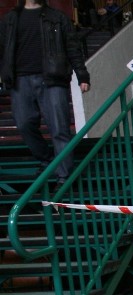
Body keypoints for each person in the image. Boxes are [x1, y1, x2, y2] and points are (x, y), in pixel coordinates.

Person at [0, 0, 91, 187]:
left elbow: (73, 48)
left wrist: (83, 75)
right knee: (24, 123)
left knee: (60, 127)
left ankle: (64, 177)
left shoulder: (58, 18)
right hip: (19, 80)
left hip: (53, 78)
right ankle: (48, 159)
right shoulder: (10, 19)